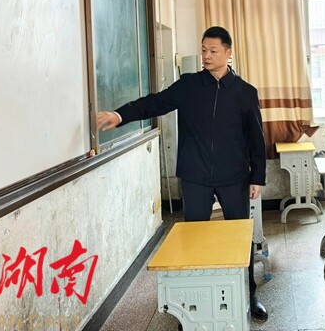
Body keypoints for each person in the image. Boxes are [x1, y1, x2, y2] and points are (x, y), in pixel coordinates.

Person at [97, 26, 268, 320]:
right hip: (195, 176)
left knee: (240, 239)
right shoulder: (189, 85)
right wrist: (120, 114)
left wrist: (258, 177)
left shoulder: (245, 92)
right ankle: (194, 301)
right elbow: (155, 102)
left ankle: (248, 293)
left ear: (228, 53)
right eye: (203, 50)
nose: (206, 56)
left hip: (234, 176)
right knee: (194, 239)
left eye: (213, 51)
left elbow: (256, 137)